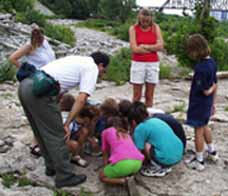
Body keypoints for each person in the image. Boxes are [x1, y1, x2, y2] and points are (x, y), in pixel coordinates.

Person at [18, 51, 109, 188]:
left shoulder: (76, 59)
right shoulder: (91, 67)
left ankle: (51, 167)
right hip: (40, 92)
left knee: (40, 131)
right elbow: (82, 98)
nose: (103, 73)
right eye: (104, 70)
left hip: (26, 86)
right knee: (57, 135)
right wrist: (67, 123)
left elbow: (60, 85)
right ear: (100, 65)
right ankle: (64, 176)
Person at [9, 24, 56, 157]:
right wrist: (26, 70)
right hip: (37, 79)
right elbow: (13, 58)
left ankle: (40, 141)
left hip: (49, 79)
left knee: (47, 111)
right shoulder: (29, 46)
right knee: (40, 112)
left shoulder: (46, 43)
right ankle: (35, 143)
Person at [185, 34, 219, 171]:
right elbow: (215, 82)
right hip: (207, 103)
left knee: (198, 131)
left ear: (195, 50)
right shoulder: (212, 63)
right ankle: (212, 152)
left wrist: (212, 88)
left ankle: (199, 160)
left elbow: (206, 90)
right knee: (205, 126)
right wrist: (213, 103)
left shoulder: (200, 68)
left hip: (198, 103)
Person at [128, 101, 184, 177]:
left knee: (146, 144)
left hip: (167, 159)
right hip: (179, 153)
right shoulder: (156, 120)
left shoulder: (139, 128)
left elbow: (138, 152)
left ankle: (157, 167)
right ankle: (164, 164)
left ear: (133, 122)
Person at [129, 8, 164, 107]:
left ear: (151, 19)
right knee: (137, 95)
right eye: (143, 20)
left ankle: (148, 114)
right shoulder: (133, 28)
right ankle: (134, 116)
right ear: (139, 18)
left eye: (147, 20)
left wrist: (145, 46)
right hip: (138, 63)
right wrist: (153, 48)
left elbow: (161, 45)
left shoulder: (155, 27)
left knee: (149, 95)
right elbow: (134, 48)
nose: (145, 22)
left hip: (153, 63)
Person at [99, 116, 144, 185]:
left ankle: (124, 181)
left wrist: (105, 167)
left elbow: (105, 151)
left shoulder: (105, 132)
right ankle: (128, 174)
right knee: (123, 168)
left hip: (123, 164)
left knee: (102, 177)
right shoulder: (126, 133)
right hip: (138, 164)